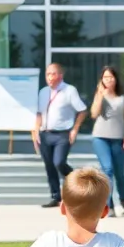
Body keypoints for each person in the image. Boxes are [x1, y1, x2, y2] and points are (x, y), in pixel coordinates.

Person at [32, 63, 88, 208]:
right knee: (49, 166)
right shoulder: (43, 92)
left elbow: (82, 110)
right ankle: (55, 196)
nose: (50, 77)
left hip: (62, 134)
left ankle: (77, 181)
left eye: (53, 74)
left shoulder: (69, 90)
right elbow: (39, 113)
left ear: (60, 75)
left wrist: (75, 129)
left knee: (59, 162)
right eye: (47, 74)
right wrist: (36, 131)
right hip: (45, 134)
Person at [89, 65, 124, 216]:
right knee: (107, 169)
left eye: (110, 77)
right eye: (105, 77)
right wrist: (100, 95)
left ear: (115, 79)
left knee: (119, 174)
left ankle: (123, 200)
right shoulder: (99, 95)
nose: (108, 80)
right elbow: (94, 114)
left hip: (118, 139)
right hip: (100, 137)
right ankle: (109, 206)